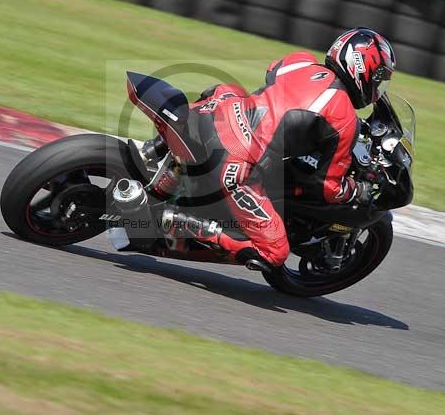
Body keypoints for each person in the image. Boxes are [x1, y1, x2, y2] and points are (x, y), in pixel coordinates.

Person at [163, 28, 396, 272]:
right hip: (235, 163)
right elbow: (327, 186)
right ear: (362, 67)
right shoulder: (344, 117)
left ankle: (169, 171)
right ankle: (186, 225)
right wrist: (357, 189)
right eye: (379, 77)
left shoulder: (300, 62)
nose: (379, 85)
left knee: (232, 89)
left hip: (219, 114)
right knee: (275, 253)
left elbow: (274, 71)